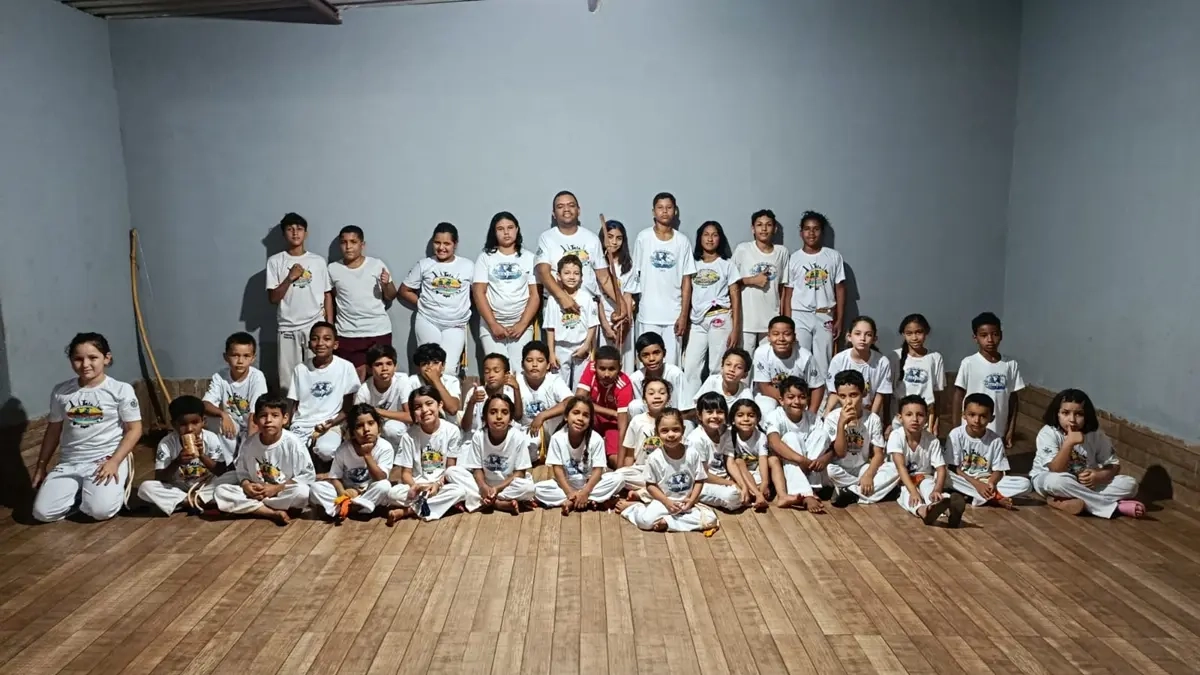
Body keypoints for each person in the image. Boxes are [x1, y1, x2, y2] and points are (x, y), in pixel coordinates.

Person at [32, 333, 142, 523]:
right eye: (78, 359)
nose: (85, 365)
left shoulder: (121, 390)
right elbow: (53, 431)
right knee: (43, 513)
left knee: (101, 511)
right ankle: (78, 496)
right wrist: (41, 467)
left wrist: (115, 461)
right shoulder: (61, 392)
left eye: (93, 358)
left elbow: (134, 429)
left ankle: (108, 491)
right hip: (70, 462)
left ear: (107, 358)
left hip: (105, 460)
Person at [1032, 389, 1143, 518]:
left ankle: (1063, 501)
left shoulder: (1096, 434)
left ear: (1087, 415)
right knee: (1058, 482)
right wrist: (1069, 443)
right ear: (1057, 414)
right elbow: (1056, 469)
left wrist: (1098, 476)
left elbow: (1113, 465)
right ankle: (1116, 507)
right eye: (1065, 413)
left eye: (1078, 414)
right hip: (1050, 479)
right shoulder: (1048, 433)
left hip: (1084, 484)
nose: (1072, 419)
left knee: (1130, 485)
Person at [213, 394, 315, 526]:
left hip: (280, 492)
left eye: (275, 415)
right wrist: (246, 485)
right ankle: (270, 512)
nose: (268, 420)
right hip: (256, 493)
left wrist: (276, 488)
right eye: (263, 416)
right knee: (221, 491)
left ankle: (254, 508)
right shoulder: (249, 444)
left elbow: (307, 475)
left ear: (285, 419)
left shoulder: (293, 444)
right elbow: (242, 472)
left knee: (303, 493)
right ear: (255, 419)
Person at [623, 192, 696, 367]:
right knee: (646, 364)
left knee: (672, 365)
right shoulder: (644, 237)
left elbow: (687, 281)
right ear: (653, 211)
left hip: (674, 315)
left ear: (675, 211)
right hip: (648, 314)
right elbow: (634, 275)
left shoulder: (682, 241)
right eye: (660, 208)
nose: (665, 212)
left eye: (669, 208)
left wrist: (683, 315)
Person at [617, 409, 719, 532]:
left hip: (686, 502)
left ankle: (668, 522)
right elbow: (650, 485)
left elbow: (699, 480)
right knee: (645, 522)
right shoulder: (655, 457)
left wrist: (691, 500)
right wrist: (667, 502)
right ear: (657, 433)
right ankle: (635, 509)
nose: (671, 435)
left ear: (683, 430)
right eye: (664, 431)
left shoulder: (692, 453)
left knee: (711, 519)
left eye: (676, 429)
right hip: (664, 501)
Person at [535, 190, 625, 328]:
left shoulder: (591, 239)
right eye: (560, 206)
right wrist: (563, 297)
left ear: (578, 210)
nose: (566, 209)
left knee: (589, 350)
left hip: (587, 308)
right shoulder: (547, 238)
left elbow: (604, 278)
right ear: (554, 214)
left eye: (571, 205)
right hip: (558, 307)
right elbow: (542, 272)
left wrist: (621, 303)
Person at [266, 212, 332, 394]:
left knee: (318, 373)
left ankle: (317, 413)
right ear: (284, 234)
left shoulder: (318, 261)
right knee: (288, 379)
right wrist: (290, 277)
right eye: (290, 229)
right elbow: (273, 298)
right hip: (287, 327)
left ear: (306, 233)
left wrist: (329, 327)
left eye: (299, 229)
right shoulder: (275, 262)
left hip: (314, 325)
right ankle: (289, 417)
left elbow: (327, 295)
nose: (295, 233)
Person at [137, 395, 235, 516]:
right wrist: (177, 461)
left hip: (206, 485)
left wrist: (202, 456)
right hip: (179, 488)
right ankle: (197, 502)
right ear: (174, 424)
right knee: (145, 488)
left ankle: (188, 502)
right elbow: (160, 477)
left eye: (195, 423)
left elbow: (220, 471)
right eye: (183, 424)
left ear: (203, 421)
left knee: (233, 476)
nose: (189, 429)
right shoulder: (167, 443)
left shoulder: (211, 438)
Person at [384, 386, 469, 523]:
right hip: (417, 486)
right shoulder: (409, 436)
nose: (424, 410)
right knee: (392, 493)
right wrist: (415, 486)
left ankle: (408, 511)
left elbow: (450, 469)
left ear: (439, 404)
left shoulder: (452, 431)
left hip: (441, 485)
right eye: (418, 407)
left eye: (429, 404)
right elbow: (405, 473)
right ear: (413, 412)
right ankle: (437, 505)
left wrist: (437, 485)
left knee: (459, 491)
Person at [399, 222, 475, 372]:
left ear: (455, 244)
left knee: (449, 370)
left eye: (447, 243)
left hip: (456, 324)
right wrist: (421, 303)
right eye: (437, 243)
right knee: (428, 367)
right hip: (428, 321)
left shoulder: (468, 266)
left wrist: (463, 305)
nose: (441, 248)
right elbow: (404, 290)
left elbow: (478, 293)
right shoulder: (424, 264)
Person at [533, 397, 627, 512]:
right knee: (536, 489)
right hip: (566, 485)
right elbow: (557, 470)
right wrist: (569, 492)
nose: (580, 418)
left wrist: (585, 492)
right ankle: (590, 500)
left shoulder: (596, 439)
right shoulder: (557, 438)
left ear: (590, 420)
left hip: (590, 484)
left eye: (585, 415)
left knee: (619, 478)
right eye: (576, 413)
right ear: (566, 416)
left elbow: (598, 470)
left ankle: (574, 502)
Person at [445, 394, 536, 513]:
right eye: (493, 412)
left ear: (511, 418)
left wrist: (497, 489)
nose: (499, 417)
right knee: (451, 472)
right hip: (484, 484)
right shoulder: (479, 436)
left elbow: (520, 473)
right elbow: (477, 469)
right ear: (485, 417)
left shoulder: (517, 437)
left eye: (504, 412)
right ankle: (498, 503)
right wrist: (483, 487)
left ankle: (488, 501)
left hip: (507, 485)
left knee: (528, 488)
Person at [821, 370, 900, 507]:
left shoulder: (872, 419)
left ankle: (851, 492)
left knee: (895, 468)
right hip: (840, 469)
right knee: (829, 470)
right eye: (843, 396)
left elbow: (878, 454)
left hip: (862, 467)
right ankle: (866, 492)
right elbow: (839, 453)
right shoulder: (832, 418)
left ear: (863, 394)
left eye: (853, 395)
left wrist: (868, 475)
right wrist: (841, 424)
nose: (848, 401)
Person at [781, 210, 844, 378]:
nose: (811, 233)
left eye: (816, 229)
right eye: (807, 229)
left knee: (823, 362)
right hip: (799, 315)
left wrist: (839, 320)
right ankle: (798, 399)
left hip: (825, 315)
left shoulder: (833, 257)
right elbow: (787, 294)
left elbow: (840, 289)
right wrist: (788, 322)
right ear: (801, 232)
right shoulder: (794, 258)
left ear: (821, 232)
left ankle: (823, 403)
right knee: (799, 359)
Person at [328, 225, 396, 381]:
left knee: (379, 377)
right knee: (352, 380)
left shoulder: (376, 264)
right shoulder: (333, 269)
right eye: (344, 242)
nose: (348, 246)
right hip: (347, 332)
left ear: (362, 245)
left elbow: (391, 295)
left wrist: (386, 284)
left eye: (353, 242)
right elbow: (330, 298)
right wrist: (330, 325)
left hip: (378, 331)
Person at [683, 220, 741, 399]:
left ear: (720, 239)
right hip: (697, 321)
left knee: (716, 367)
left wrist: (736, 328)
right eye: (706, 235)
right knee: (691, 366)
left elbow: (735, 296)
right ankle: (689, 412)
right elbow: (687, 292)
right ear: (700, 238)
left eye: (714, 235)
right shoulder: (692, 264)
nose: (710, 239)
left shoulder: (727, 265)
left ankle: (716, 407)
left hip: (720, 317)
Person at [473, 211, 540, 367]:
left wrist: (522, 324)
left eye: (510, 227)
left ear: (517, 229)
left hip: (521, 326)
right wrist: (493, 325)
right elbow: (478, 292)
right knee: (496, 371)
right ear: (494, 232)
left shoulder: (529, 258)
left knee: (519, 371)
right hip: (491, 327)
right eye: (500, 229)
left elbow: (535, 295)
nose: (506, 232)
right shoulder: (485, 257)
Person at [286, 322, 359, 464]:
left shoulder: (345, 367)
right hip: (302, 424)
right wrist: (288, 426)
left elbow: (348, 408)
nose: (320, 343)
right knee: (290, 451)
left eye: (326, 339)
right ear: (309, 343)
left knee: (326, 449)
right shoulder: (300, 369)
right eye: (315, 338)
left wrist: (330, 423)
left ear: (335, 344)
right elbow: (294, 403)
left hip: (331, 424)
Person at [889, 395, 965, 526]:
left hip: (925, 477)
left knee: (929, 489)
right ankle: (924, 511)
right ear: (900, 418)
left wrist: (937, 489)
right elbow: (900, 466)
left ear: (926, 417)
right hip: (904, 481)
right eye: (909, 414)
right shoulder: (896, 436)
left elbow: (941, 468)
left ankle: (949, 508)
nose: (915, 419)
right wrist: (913, 491)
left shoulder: (932, 440)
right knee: (909, 496)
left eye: (919, 415)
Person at [309, 404, 394, 521]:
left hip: (368, 492)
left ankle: (347, 508)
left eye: (371, 423)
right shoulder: (343, 449)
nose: (366, 429)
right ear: (352, 432)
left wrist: (367, 455)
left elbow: (380, 477)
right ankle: (356, 507)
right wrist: (342, 493)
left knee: (385, 486)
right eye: (359, 426)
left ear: (378, 426)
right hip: (347, 493)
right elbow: (335, 477)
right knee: (316, 488)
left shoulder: (385, 447)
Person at [946, 393, 1032, 508]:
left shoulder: (995, 440)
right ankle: (995, 498)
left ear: (991, 418)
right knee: (942, 476)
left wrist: (992, 483)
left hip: (986, 480)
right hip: (964, 479)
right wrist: (977, 484)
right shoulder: (956, 435)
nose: (977, 420)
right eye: (972, 415)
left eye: (983, 416)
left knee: (1026, 484)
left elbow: (999, 470)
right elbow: (952, 467)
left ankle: (973, 495)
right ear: (964, 415)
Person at [953, 312, 1024, 448]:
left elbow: (1013, 400)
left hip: (997, 428)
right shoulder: (969, 363)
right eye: (984, 335)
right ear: (975, 338)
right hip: (971, 428)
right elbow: (958, 395)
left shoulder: (1010, 364)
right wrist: (956, 429)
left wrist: (1010, 429)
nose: (990, 340)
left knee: (993, 465)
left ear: (1001, 335)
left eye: (995, 334)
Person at [762, 377, 828, 512]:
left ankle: (810, 486)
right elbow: (774, 442)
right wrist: (801, 460)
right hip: (784, 465)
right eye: (791, 397)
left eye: (802, 397)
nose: (796, 402)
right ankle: (806, 494)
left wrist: (822, 460)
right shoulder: (775, 416)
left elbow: (826, 445)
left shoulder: (812, 418)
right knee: (791, 438)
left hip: (807, 467)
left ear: (808, 399)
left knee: (822, 434)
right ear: (781, 400)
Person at [202, 331, 268, 461]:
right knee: (214, 420)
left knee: (251, 444)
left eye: (246, 356)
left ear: (253, 358)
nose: (240, 361)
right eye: (235, 355)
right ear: (226, 357)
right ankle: (223, 461)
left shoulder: (257, 377)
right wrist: (223, 414)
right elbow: (205, 404)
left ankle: (244, 460)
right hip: (232, 425)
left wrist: (249, 447)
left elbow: (254, 416)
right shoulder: (220, 376)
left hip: (252, 426)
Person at [734, 209, 790, 350]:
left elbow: (783, 288)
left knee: (768, 362)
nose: (764, 229)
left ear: (775, 228)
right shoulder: (743, 249)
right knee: (745, 361)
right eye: (759, 225)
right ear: (753, 229)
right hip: (746, 320)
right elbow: (730, 282)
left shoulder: (782, 252)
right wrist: (752, 280)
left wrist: (783, 317)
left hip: (772, 319)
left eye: (768, 225)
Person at [542, 254, 599, 388]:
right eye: (567, 273)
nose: (572, 277)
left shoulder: (586, 298)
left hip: (581, 346)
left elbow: (593, 325)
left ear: (581, 277)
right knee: (559, 386)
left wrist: (586, 346)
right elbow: (550, 328)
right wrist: (551, 353)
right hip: (560, 347)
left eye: (576, 273)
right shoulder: (553, 300)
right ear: (559, 276)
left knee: (581, 386)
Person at [752, 315, 825, 415]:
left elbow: (817, 386)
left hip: (798, 398)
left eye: (787, 334)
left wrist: (811, 414)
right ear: (768, 337)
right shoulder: (761, 353)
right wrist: (788, 401)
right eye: (776, 334)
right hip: (770, 396)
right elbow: (764, 387)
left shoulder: (805, 356)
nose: (781, 339)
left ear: (794, 337)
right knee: (767, 407)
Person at [574, 346, 634, 467]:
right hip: (593, 418)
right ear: (595, 366)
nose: (606, 374)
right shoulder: (590, 369)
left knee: (615, 460)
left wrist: (620, 469)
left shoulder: (624, 384)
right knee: (573, 411)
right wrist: (611, 412)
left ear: (620, 368)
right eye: (602, 369)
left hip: (612, 423)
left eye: (612, 369)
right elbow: (578, 401)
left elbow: (622, 427)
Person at [516, 341, 574, 461]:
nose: (535, 365)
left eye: (540, 361)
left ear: (548, 365)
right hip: (528, 431)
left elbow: (570, 401)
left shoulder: (554, 380)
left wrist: (543, 415)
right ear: (522, 365)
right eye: (529, 360)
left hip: (555, 431)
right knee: (528, 448)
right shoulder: (517, 381)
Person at [824, 316, 892, 420]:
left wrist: (871, 420)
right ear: (849, 336)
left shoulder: (882, 362)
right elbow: (834, 392)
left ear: (874, 339)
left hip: (868, 413)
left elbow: (880, 395)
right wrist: (827, 414)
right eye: (857, 333)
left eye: (868, 334)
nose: (863, 338)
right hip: (843, 412)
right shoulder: (838, 360)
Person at [889, 314, 944, 435]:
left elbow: (937, 394)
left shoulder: (935, 358)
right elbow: (888, 392)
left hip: (924, 420)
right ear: (903, 334)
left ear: (926, 332)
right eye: (909, 333)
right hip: (899, 419)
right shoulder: (895, 357)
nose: (914, 337)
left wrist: (936, 422)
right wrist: (887, 423)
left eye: (919, 332)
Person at [687, 393, 743, 511]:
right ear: (699, 415)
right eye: (709, 412)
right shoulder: (696, 438)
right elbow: (704, 474)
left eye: (720, 412)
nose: (715, 416)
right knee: (733, 496)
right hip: (702, 483)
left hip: (724, 478)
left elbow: (730, 462)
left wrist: (742, 485)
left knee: (753, 483)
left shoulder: (725, 432)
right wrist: (731, 484)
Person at [354, 343, 411, 446]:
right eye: (378, 364)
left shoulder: (402, 381)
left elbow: (411, 417)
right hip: (373, 430)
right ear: (369, 369)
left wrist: (377, 411)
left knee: (391, 428)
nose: (384, 368)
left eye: (389, 364)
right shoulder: (364, 390)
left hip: (398, 428)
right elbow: (357, 421)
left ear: (395, 367)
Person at [598, 219, 636, 371]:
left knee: (623, 363)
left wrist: (625, 322)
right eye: (610, 236)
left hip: (623, 321)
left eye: (619, 238)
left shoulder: (628, 265)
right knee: (604, 363)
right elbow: (597, 299)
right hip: (603, 321)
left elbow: (628, 296)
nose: (614, 242)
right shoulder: (598, 264)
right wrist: (607, 326)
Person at [627, 331, 689, 417]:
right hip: (648, 421)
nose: (651, 358)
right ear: (639, 358)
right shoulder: (635, 378)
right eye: (646, 355)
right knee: (634, 406)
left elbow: (687, 409)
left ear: (664, 353)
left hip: (674, 420)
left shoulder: (675, 373)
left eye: (656, 353)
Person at [459, 353, 522, 435]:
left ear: (506, 374)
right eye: (487, 371)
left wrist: (517, 389)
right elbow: (465, 427)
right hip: (477, 440)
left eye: (496, 371)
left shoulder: (511, 392)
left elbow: (517, 417)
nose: (491, 375)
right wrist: (472, 402)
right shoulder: (475, 392)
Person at [407, 343, 462, 421]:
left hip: (448, 427)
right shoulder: (412, 381)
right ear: (418, 368)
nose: (430, 367)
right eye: (425, 364)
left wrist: (436, 380)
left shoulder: (452, 381)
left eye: (435, 363)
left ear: (443, 366)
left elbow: (452, 409)